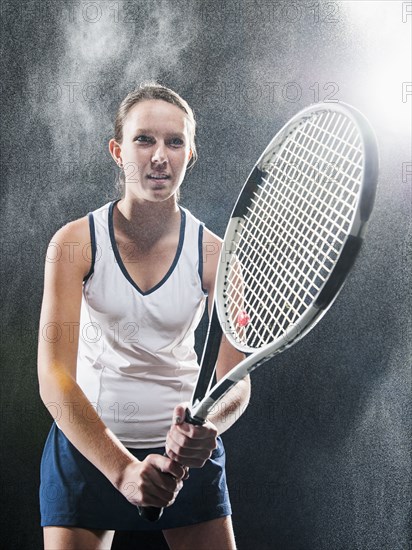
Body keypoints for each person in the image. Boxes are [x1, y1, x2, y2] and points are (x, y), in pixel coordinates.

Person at [38, 82, 251, 550]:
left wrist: (210, 428)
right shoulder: (73, 243)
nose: (160, 155)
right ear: (117, 151)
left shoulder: (217, 256)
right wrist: (122, 470)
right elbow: (54, 377)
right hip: (88, 448)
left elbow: (235, 381)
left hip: (184, 453)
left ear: (189, 154)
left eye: (175, 142)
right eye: (144, 139)